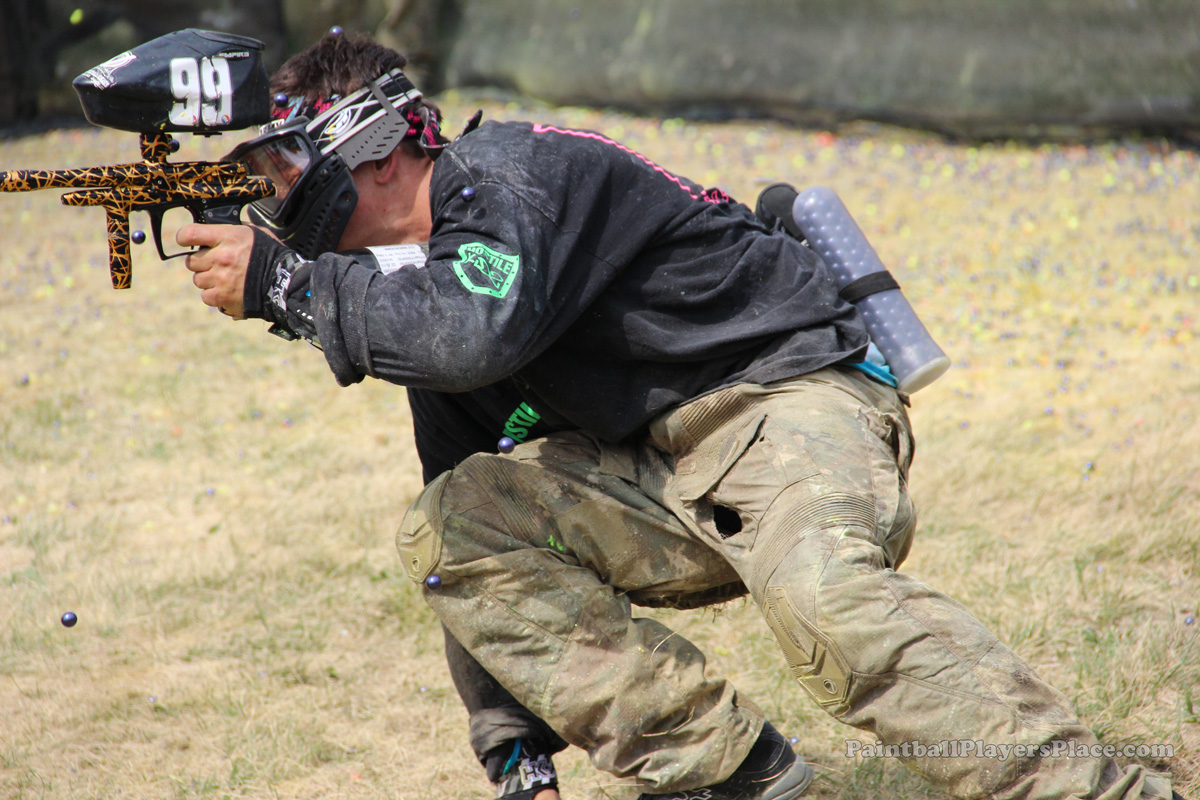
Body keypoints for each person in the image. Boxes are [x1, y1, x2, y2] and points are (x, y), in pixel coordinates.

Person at [178, 30, 1182, 800]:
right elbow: (466, 498)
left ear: (375, 149)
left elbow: (469, 334)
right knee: (454, 522)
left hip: (787, 402)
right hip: (662, 468)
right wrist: (515, 749)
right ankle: (730, 771)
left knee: (830, 607)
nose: (279, 200)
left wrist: (288, 288)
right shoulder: (431, 288)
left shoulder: (512, 177)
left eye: (286, 168)